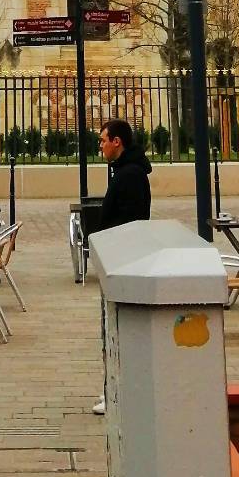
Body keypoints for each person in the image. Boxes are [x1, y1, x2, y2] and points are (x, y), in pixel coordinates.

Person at [93, 118, 152, 413]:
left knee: (116, 330)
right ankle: (115, 389)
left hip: (122, 262)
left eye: (104, 140)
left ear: (117, 142)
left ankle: (118, 392)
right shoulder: (127, 172)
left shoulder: (129, 175)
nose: (101, 146)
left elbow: (130, 221)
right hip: (119, 259)